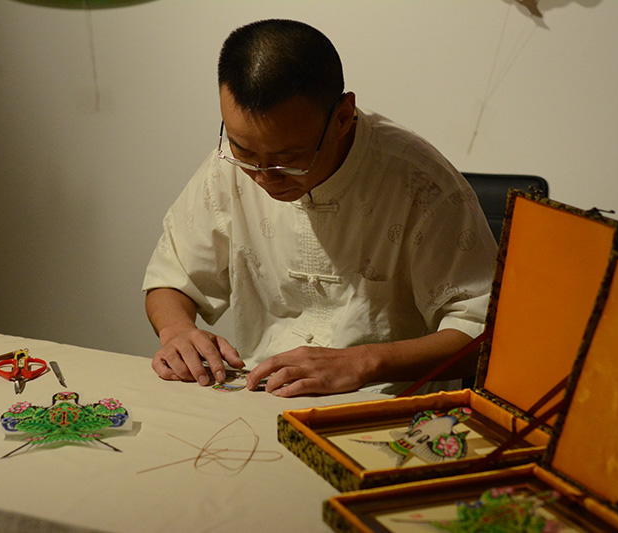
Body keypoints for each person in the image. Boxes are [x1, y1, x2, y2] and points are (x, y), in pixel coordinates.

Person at [143, 19, 497, 397]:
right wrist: (177, 331)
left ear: (343, 117)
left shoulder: (422, 185)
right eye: (244, 152)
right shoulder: (227, 167)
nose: (263, 177)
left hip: (388, 408)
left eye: (289, 159)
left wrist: (365, 361)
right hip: (264, 396)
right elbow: (173, 277)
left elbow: (485, 333)